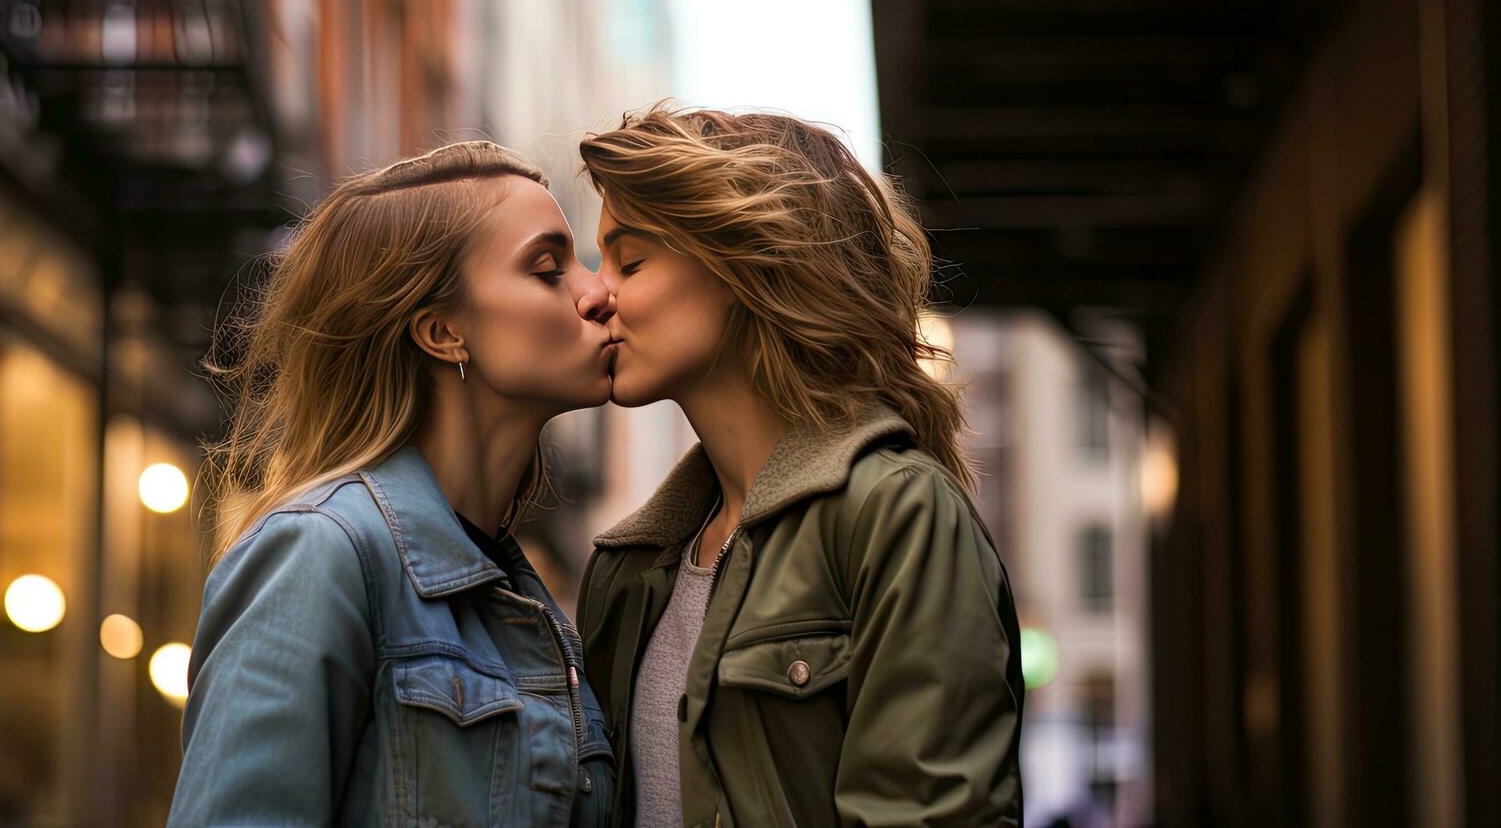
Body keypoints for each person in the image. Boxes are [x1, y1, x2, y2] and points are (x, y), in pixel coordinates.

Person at [575, 106, 1024, 827]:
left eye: (629, 261)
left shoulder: (897, 515)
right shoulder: (626, 571)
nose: (595, 294)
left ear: (742, 265)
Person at [169, 142, 620, 826]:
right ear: (442, 331)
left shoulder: (526, 605)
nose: (597, 292)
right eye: (549, 269)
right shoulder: (320, 554)